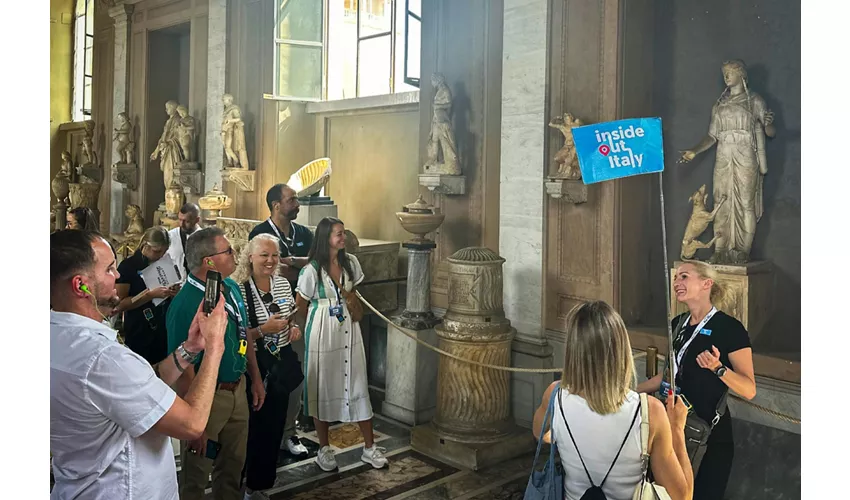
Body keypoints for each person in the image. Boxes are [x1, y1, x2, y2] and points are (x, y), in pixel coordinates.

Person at [50, 229, 229, 499]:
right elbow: (191, 424)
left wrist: (190, 349)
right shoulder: (103, 359)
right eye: (109, 269)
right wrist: (215, 346)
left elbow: (140, 386)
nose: (118, 275)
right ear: (81, 286)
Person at [532, 300, 693, 500]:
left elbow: (541, 434)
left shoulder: (554, 395)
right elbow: (682, 495)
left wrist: (570, 433)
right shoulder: (649, 410)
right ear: (621, 350)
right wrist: (677, 428)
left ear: (572, 350)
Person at [637, 261, 756, 500]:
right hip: (672, 428)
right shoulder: (677, 325)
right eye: (676, 278)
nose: (677, 283)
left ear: (706, 283)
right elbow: (669, 376)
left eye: (684, 277)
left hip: (709, 433)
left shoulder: (729, 328)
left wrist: (718, 368)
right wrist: (630, 391)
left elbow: (749, 389)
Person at [166, 227, 265, 500]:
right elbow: (182, 367)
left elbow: (244, 332)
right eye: (228, 250)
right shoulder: (185, 304)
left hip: (237, 390)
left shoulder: (231, 287)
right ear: (209, 261)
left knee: (233, 466)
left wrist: (254, 379)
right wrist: (191, 422)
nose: (235, 254)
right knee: (197, 474)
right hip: (206, 400)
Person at [295, 217, 387, 471]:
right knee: (322, 386)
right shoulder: (311, 270)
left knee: (357, 381)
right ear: (326, 238)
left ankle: (369, 448)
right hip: (323, 331)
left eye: (343, 233)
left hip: (349, 329)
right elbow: (300, 306)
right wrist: (321, 323)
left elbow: (354, 296)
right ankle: (324, 450)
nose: (342, 237)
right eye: (338, 233)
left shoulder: (351, 264)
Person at [233, 234, 305, 498]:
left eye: (274, 255)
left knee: (274, 428)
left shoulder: (283, 284)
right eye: (264, 255)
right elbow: (235, 335)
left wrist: (293, 326)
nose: (270, 261)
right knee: (251, 429)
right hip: (253, 366)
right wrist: (263, 330)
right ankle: (239, 482)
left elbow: (290, 314)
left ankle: (259, 485)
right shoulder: (239, 288)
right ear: (250, 256)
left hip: (280, 366)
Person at [250, 182, 314, 452]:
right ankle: (262, 431)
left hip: (294, 312)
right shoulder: (260, 233)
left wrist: (294, 264)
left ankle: (289, 431)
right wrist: (294, 266)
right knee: (265, 380)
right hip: (263, 320)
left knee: (293, 376)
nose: (297, 204)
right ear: (277, 205)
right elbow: (264, 272)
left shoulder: (304, 232)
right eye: (292, 200)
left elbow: (314, 265)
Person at [116, 227, 179, 364]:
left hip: (163, 325)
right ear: (145, 245)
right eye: (157, 251)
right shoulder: (128, 266)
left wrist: (174, 291)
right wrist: (149, 295)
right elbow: (120, 304)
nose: (161, 255)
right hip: (139, 328)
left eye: (164, 252)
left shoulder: (163, 263)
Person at [166, 202, 201, 280]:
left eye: (186, 221)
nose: (181, 224)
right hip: (173, 286)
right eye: (180, 220)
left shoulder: (205, 239)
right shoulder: (170, 236)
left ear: (197, 220)